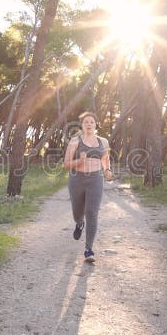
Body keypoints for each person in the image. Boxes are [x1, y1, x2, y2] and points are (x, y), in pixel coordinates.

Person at [63, 111, 113, 263]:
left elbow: (105, 159)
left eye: (91, 122)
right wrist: (79, 162)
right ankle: (79, 223)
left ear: (95, 124)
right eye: (86, 122)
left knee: (92, 212)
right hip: (77, 179)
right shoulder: (75, 141)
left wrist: (107, 170)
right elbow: (66, 164)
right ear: (82, 125)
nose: (89, 124)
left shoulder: (103, 142)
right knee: (78, 212)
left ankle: (88, 249)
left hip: (96, 179)